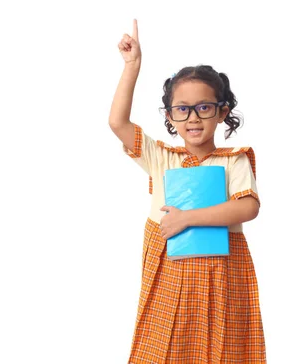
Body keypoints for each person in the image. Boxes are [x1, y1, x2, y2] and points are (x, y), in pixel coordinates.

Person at [109, 19, 266, 363]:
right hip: (169, 269)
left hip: (220, 270)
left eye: (204, 107)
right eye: (182, 109)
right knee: (164, 346)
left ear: (222, 111)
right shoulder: (162, 158)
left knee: (220, 346)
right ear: (170, 115)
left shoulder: (233, 161)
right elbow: (118, 123)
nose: (193, 118)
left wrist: (187, 219)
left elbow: (248, 208)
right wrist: (132, 66)